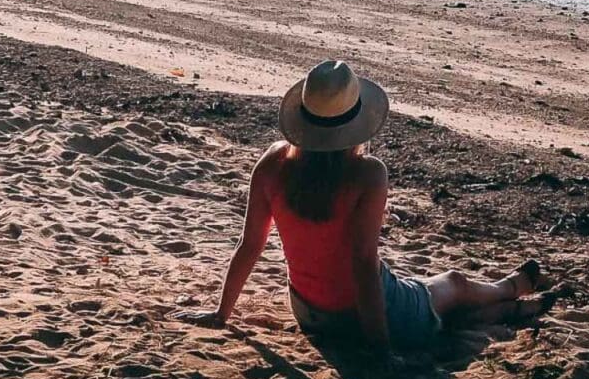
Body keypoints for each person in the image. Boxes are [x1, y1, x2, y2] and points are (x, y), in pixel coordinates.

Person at [179, 60, 550, 353]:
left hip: (309, 311)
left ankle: (511, 304)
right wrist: (381, 349)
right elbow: (362, 266)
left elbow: (250, 246)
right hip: (360, 314)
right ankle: (508, 291)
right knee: (452, 285)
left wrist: (221, 313)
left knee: (433, 298)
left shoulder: (274, 162)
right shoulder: (367, 175)